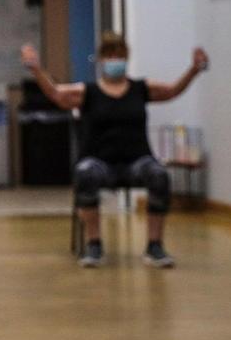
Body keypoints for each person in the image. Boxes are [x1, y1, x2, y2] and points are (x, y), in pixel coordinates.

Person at [21, 34, 208, 268]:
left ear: (126, 59)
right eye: (110, 56)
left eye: (119, 55)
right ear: (101, 60)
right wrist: (36, 70)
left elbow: (171, 91)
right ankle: (94, 245)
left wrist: (194, 70)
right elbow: (57, 94)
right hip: (101, 163)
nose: (115, 60)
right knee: (85, 173)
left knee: (159, 175)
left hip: (136, 162)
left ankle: (155, 246)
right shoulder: (88, 91)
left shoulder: (141, 89)